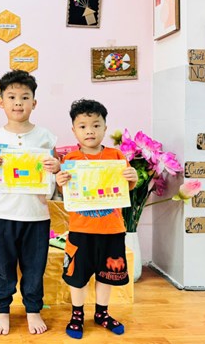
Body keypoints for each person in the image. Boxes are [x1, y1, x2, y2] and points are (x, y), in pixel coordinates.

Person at [0, 69, 61, 336]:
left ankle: (33, 309)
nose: (18, 103)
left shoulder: (46, 137)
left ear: (34, 103)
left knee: (34, 267)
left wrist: (56, 167)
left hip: (36, 215)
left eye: (25, 97)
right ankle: (2, 309)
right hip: (3, 213)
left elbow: (56, 172)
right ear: (0, 102)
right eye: (11, 97)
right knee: (2, 266)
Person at [55, 99, 137, 339]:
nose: (89, 131)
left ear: (105, 128)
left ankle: (102, 313)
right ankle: (77, 315)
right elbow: (65, 193)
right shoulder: (70, 160)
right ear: (74, 130)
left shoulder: (116, 156)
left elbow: (127, 187)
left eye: (95, 125)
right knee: (77, 276)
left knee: (106, 274)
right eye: (82, 126)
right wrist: (60, 183)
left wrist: (132, 177)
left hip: (112, 229)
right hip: (81, 230)